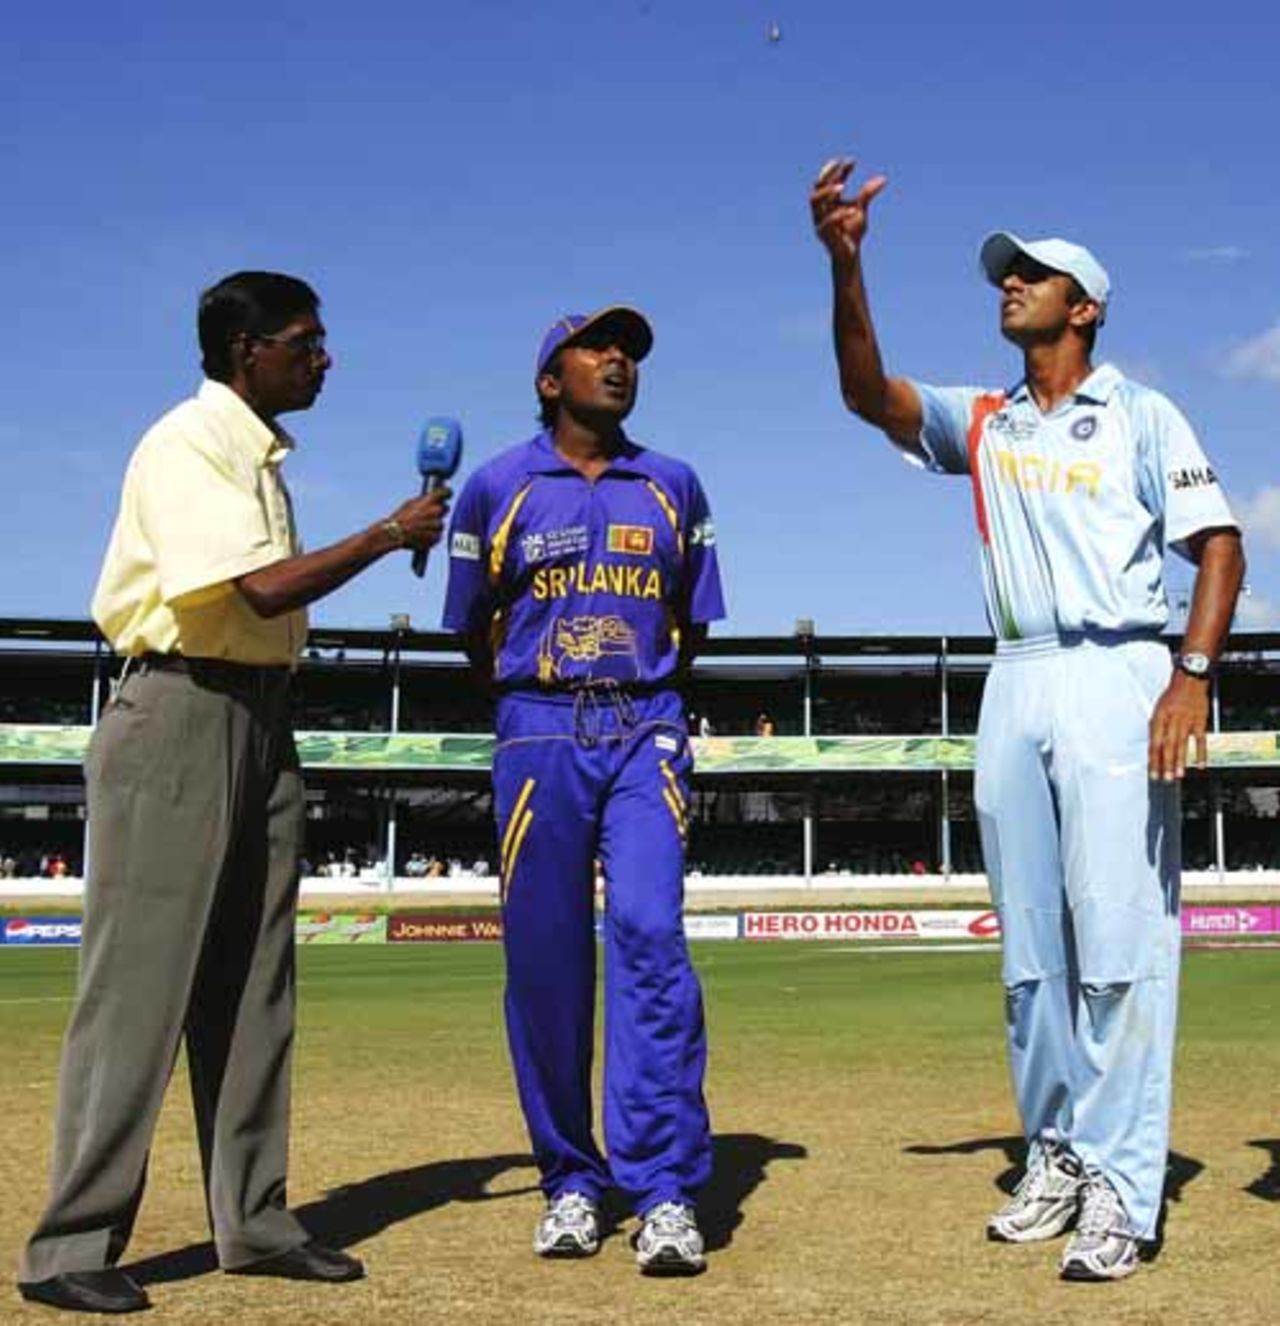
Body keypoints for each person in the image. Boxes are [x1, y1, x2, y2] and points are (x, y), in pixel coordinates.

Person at [810, 157, 1245, 1282]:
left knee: (1118, 943)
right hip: (1017, 674)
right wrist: (844, 264)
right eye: (1006, 275)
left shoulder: (1141, 414)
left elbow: (1219, 545)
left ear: (1083, 306)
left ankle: (1120, 1182)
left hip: (1117, 672)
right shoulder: (989, 419)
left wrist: (1188, 676)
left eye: (1033, 276)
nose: (1009, 285)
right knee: (1030, 956)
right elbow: (867, 396)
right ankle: (1052, 1149)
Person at [18, 270, 450, 1316]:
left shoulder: (259, 456)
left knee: (255, 987)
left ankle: (252, 1224)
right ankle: (69, 1247)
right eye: (306, 339)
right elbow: (252, 590)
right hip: (177, 710)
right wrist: (387, 535)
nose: (324, 356)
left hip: (257, 714)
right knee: (138, 991)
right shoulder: (189, 443)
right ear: (242, 347)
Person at [442, 306, 725, 1275]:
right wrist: (546, 696)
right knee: (546, 962)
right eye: (596, 349)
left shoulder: (673, 485)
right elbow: (469, 630)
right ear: (547, 379)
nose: (617, 362)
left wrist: (623, 691)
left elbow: (694, 619)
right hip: (537, 730)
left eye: (630, 352)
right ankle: (570, 1177)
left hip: (645, 727)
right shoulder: (494, 488)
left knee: (649, 936)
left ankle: (662, 1190)